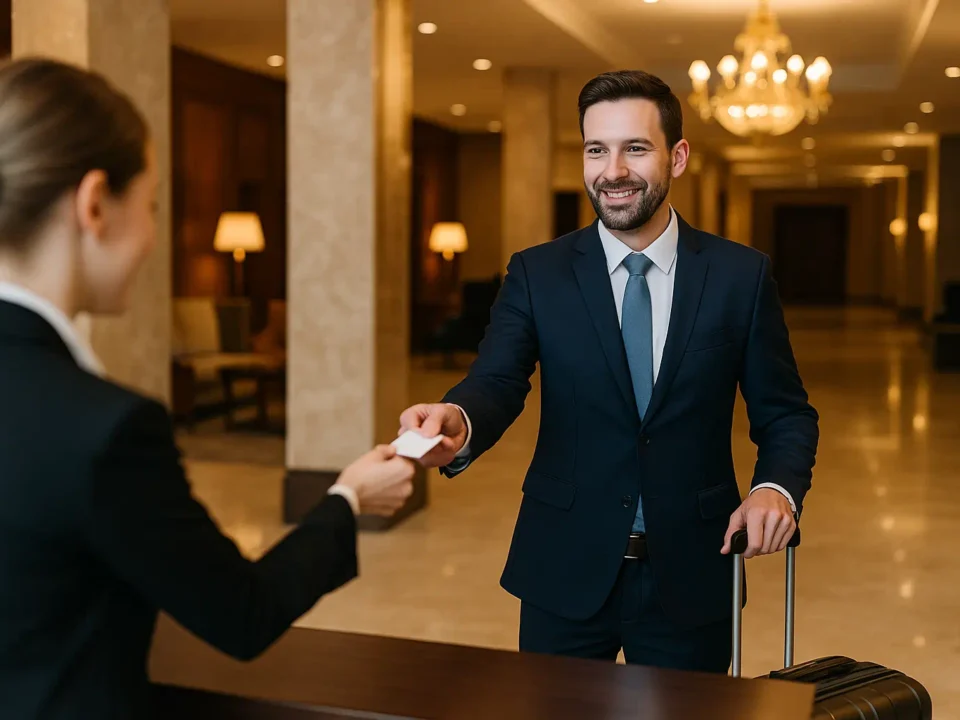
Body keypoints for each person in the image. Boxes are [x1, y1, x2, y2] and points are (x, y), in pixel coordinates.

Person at [0, 57, 416, 718]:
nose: (153, 234)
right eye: (154, 203)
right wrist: (346, 496)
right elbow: (242, 613)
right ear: (95, 203)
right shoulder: (104, 430)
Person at [399, 70, 819, 672]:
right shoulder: (537, 273)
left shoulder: (739, 277)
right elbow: (496, 380)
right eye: (597, 149)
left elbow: (786, 414)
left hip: (693, 573)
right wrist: (458, 418)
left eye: (635, 148)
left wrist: (774, 489)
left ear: (677, 157)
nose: (612, 170)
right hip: (562, 565)